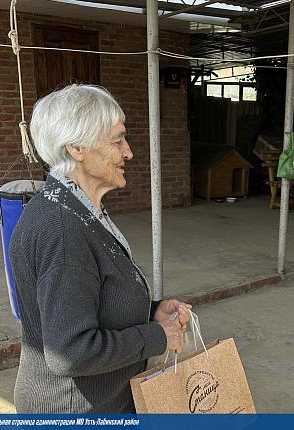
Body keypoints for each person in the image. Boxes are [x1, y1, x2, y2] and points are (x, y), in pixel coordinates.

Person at [10, 84, 191, 413]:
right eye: (117, 139)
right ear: (77, 147)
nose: (129, 152)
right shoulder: (63, 229)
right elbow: (71, 351)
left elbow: (91, 296)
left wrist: (151, 311)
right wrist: (156, 335)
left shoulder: (77, 208)